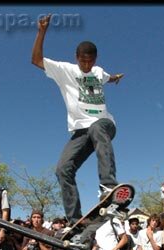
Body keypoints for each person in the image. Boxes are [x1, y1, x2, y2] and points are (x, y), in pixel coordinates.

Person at [31, 14, 124, 227]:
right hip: (80, 132)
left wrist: (115, 78)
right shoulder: (66, 70)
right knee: (63, 169)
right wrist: (42, 32)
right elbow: (36, 60)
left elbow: (107, 77)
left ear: (96, 59)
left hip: (104, 124)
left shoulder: (99, 71)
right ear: (76, 57)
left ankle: (109, 187)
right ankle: (75, 221)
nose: (86, 65)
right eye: (83, 61)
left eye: (90, 61)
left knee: (97, 128)